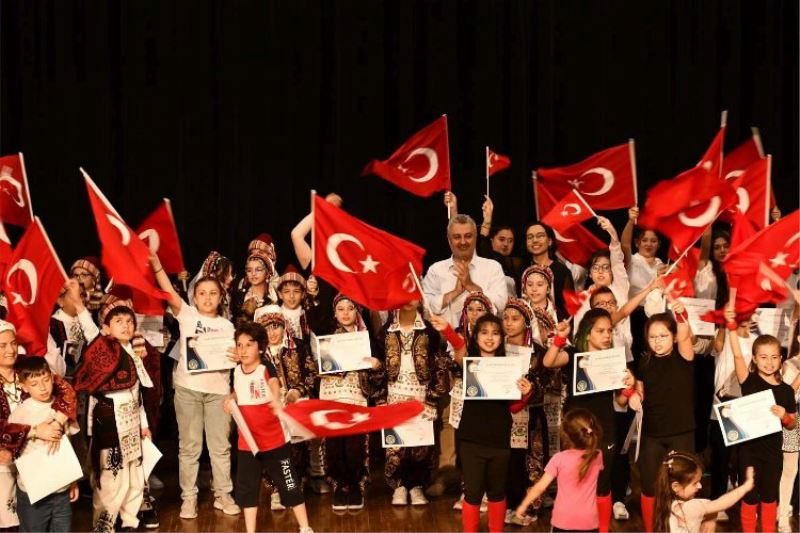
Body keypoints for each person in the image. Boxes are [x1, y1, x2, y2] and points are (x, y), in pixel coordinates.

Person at [149, 253, 241, 519]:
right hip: (188, 390)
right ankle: (188, 497)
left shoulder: (228, 325)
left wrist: (237, 356)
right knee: (189, 446)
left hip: (218, 392)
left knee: (220, 447)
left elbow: (238, 357)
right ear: (195, 295)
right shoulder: (187, 315)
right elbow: (167, 290)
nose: (208, 298)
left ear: (221, 296)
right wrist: (157, 266)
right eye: (202, 293)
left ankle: (223, 494)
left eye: (213, 293)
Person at [433, 314, 532, 533]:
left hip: (499, 440)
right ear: (476, 336)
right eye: (484, 332)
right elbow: (459, 348)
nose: (490, 338)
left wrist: (526, 394)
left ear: (501, 338)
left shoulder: (508, 368)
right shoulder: (470, 363)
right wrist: (448, 329)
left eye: (495, 333)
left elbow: (513, 407)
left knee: (497, 493)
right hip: (471, 440)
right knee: (473, 493)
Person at [542, 309, 636, 532]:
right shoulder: (574, 354)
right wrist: (560, 338)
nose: (606, 335)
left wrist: (629, 386)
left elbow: (621, 402)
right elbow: (548, 361)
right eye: (601, 331)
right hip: (575, 430)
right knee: (573, 483)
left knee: (602, 486)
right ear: (587, 334)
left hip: (605, 429)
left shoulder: (613, 360)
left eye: (609, 331)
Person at [224, 321, 313, 533]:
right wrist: (230, 399)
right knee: (247, 488)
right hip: (248, 442)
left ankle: (305, 527)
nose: (243, 350)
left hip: (274, 440)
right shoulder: (235, 371)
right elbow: (238, 392)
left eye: (249, 345)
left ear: (260, 347)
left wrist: (275, 399)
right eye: (239, 345)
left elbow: (274, 383)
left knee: (289, 483)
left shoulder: (266, 366)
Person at [72, 306, 154, 532]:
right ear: (106, 327)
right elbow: (90, 329)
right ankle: (105, 522)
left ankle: (129, 519)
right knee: (110, 474)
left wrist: (144, 425)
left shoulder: (136, 356)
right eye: (119, 321)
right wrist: (79, 305)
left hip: (132, 421)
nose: (126, 325)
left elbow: (138, 395)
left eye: (129, 321)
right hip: (109, 420)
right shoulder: (103, 348)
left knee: (134, 473)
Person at [0, 320, 76, 531]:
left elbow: (67, 391)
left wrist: (57, 420)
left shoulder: (28, 365)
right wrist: (33, 431)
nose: (10, 350)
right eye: (2, 345)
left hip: (40, 463)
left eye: (13, 343)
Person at [727, 312, 797, 533]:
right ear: (755, 359)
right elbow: (737, 355)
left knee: (769, 497)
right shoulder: (749, 382)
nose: (769, 362)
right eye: (764, 357)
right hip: (748, 452)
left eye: (774, 357)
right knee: (749, 498)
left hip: (773, 454)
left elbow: (792, 424)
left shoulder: (786, 391)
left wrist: (784, 415)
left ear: (781, 359)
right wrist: (731, 327)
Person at [631, 301, 695, 533]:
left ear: (674, 337)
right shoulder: (644, 363)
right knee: (649, 487)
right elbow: (639, 392)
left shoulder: (683, 356)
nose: (657, 341)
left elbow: (686, 334)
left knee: (684, 488)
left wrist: (682, 314)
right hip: (652, 435)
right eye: (653, 337)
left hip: (681, 433)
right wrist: (633, 396)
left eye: (663, 336)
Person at [375, 300, 446, 507]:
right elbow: (378, 368)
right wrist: (380, 399)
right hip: (394, 396)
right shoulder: (385, 332)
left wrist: (432, 398)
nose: (408, 300)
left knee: (419, 447)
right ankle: (398, 486)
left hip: (421, 396)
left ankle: (416, 486)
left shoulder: (430, 332)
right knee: (396, 447)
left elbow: (439, 366)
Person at [319, 294, 384, 511]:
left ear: (357, 311)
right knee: (335, 445)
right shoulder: (326, 338)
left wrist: (376, 365)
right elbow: (315, 366)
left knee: (355, 445)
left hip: (356, 398)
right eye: (341, 309)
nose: (345, 313)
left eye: (350, 308)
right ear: (334, 313)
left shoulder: (364, 338)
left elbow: (377, 372)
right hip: (332, 398)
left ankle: (356, 485)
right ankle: (339, 485)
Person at [253, 305, 317, 510]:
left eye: (276, 327)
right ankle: (276, 489)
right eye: (267, 329)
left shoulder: (298, 346)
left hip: (295, 406)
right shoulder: (256, 355)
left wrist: (297, 390)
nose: (272, 333)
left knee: (296, 450)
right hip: (267, 410)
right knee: (272, 450)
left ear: (283, 326)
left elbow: (311, 373)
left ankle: (294, 487)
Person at [9, 356, 79, 533]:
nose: (42, 387)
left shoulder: (61, 407)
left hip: (61, 489)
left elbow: (68, 446)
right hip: (34, 491)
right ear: (23, 386)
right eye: (34, 384)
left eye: (46, 380)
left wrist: (72, 481)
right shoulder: (21, 413)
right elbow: (10, 441)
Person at [515, 408, 603, 533]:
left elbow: (540, 487)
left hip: (563, 520)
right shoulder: (598, 456)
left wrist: (524, 505)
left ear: (565, 435)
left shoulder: (559, 459)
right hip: (590, 521)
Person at [502, 298, 547, 526]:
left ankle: (527, 506)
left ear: (526, 322)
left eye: (515, 318)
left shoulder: (537, 352)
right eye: (506, 318)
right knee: (508, 462)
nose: (509, 323)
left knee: (529, 463)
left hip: (530, 417)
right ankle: (508, 505)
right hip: (503, 416)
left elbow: (545, 384)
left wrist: (531, 389)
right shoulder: (497, 348)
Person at [422, 213, 508, 329]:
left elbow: (501, 305)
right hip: (445, 343)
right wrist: (454, 293)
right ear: (449, 240)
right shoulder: (436, 270)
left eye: (468, 236)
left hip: (485, 343)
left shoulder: (493, 267)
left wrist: (471, 285)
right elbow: (425, 306)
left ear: (476, 237)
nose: (463, 242)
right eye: (457, 237)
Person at [652, 451, 754, 533]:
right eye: (695, 483)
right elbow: (721, 503)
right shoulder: (690, 508)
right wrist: (746, 486)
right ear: (676, 486)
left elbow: (711, 506)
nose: (700, 486)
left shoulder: (665, 502)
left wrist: (711, 519)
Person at [621, 207, 667, 356]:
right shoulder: (632, 261)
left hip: (657, 316)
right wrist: (630, 220)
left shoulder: (663, 264)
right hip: (635, 316)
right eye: (644, 240)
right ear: (637, 243)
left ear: (659, 244)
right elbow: (624, 245)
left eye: (653, 241)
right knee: (637, 356)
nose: (648, 244)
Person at [523, 221, 574, 320]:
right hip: (526, 330)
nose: (535, 240)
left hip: (556, 329)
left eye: (540, 236)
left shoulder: (562, 271)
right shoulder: (521, 268)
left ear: (550, 241)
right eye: (530, 237)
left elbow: (570, 309)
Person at [778, 328, 800, 533]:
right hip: (794, 418)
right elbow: (786, 396)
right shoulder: (789, 364)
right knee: (789, 470)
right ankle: (783, 516)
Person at [231, 250, 275, 322]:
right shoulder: (238, 297)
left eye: (258, 270)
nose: (253, 274)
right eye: (249, 270)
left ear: (267, 273)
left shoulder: (274, 298)